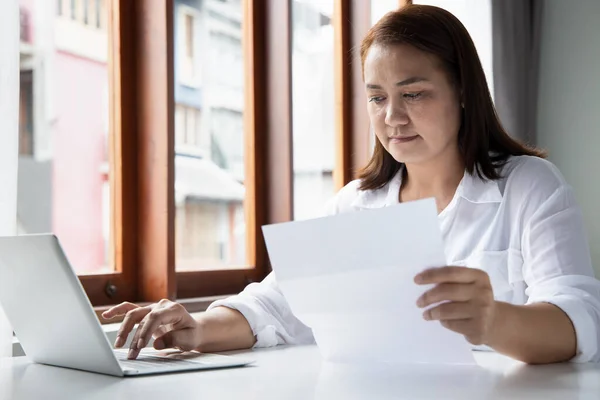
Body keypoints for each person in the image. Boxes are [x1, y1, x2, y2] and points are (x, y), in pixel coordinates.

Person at [103, 4, 600, 364]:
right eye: (377, 97)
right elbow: (278, 305)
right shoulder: (356, 204)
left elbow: (576, 320)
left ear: (465, 93)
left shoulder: (529, 186)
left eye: (414, 93)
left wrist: (494, 320)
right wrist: (196, 329)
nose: (393, 117)